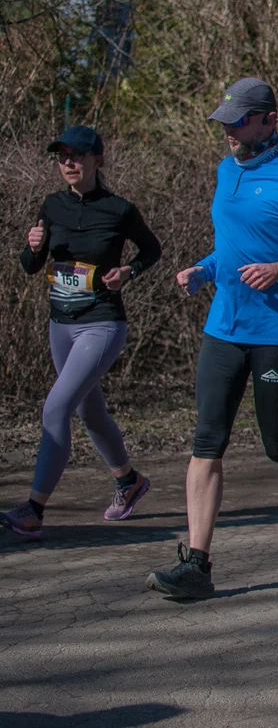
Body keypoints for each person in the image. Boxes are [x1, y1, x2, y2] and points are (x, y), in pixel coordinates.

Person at [146, 78, 278, 600]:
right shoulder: (227, 171)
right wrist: (202, 270)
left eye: (238, 120)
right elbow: (233, 246)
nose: (227, 129)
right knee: (206, 442)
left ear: (269, 120)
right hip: (223, 327)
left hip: (275, 333)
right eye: (225, 119)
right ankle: (196, 565)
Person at [1, 126, 162, 539]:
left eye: (77, 155)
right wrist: (34, 247)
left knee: (57, 408)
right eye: (61, 156)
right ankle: (129, 481)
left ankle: (34, 509)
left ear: (97, 160)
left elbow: (152, 249)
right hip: (61, 324)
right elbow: (29, 266)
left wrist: (129, 270)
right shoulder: (51, 206)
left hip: (103, 323)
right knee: (89, 411)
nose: (68, 163)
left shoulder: (118, 209)